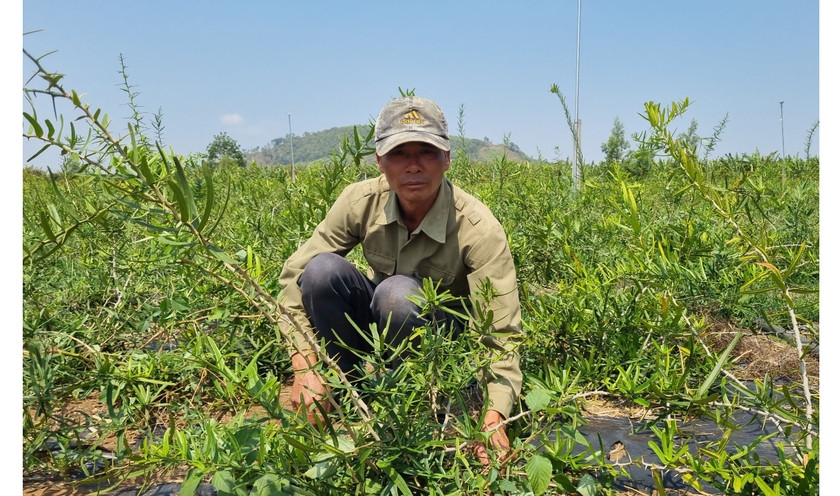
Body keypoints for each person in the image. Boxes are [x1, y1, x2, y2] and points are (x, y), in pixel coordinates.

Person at [276, 95, 523, 462]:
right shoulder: (360, 201)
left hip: (439, 344)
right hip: (377, 326)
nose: (413, 166)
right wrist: (306, 364)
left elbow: (502, 332)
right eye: (398, 154)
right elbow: (294, 279)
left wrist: (494, 417)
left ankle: (417, 405)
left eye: (426, 152)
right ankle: (345, 390)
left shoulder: (478, 228)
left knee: (397, 294)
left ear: (447, 159)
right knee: (322, 271)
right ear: (380, 161)